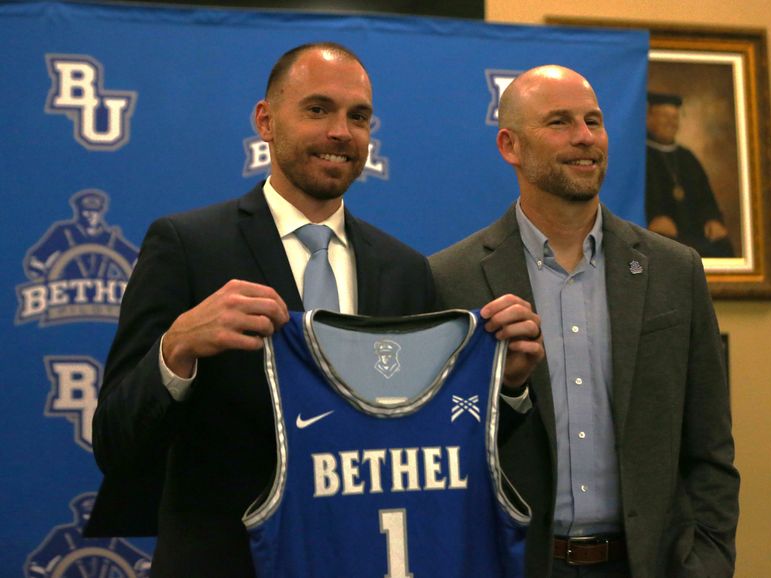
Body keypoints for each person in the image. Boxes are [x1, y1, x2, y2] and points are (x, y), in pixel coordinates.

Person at [85, 42, 541, 578]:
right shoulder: (187, 246)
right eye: (318, 109)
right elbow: (114, 441)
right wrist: (176, 348)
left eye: (359, 117)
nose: (341, 132)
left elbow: (436, 446)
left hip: (368, 559)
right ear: (266, 120)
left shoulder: (405, 271)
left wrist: (504, 388)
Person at [430, 65, 739, 577]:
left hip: (649, 565)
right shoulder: (451, 278)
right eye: (559, 123)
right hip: (519, 564)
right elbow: (439, 451)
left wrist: (707, 562)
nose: (584, 138)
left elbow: (710, 447)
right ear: (510, 146)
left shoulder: (674, 270)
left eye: (593, 121)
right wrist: (509, 392)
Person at [645, 92, 734, 257]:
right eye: (665, 116)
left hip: (695, 233)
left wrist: (712, 219)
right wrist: (653, 218)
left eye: (675, 118)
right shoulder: (639, 155)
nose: (671, 123)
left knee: (723, 247)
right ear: (649, 119)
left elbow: (706, 197)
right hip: (658, 234)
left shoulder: (687, 157)